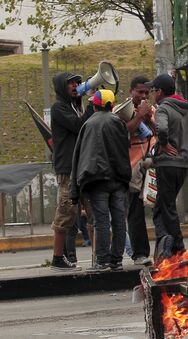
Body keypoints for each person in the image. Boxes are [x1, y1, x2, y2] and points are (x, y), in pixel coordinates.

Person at [70, 90, 131, 271]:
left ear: (95, 106)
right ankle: (116, 260)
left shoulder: (88, 125)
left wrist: (75, 190)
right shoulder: (119, 123)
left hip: (97, 180)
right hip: (118, 180)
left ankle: (102, 261)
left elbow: (78, 157)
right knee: (119, 220)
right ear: (111, 105)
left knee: (101, 221)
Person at [48, 72, 92, 271]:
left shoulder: (74, 106)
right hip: (68, 169)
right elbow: (79, 126)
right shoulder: (59, 108)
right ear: (61, 87)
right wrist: (91, 104)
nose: (76, 86)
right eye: (71, 83)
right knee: (66, 211)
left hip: (80, 166)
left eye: (77, 83)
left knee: (89, 212)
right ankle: (58, 258)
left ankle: (96, 256)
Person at [146, 74, 188, 259]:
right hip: (183, 163)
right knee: (161, 206)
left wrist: (163, 144)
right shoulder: (184, 108)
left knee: (167, 206)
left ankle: (178, 246)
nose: (152, 94)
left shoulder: (164, 107)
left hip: (167, 162)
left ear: (160, 91)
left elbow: (163, 129)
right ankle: (165, 244)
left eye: (153, 90)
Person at [123, 76, 154, 266]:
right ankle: (140, 253)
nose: (143, 96)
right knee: (135, 211)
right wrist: (139, 116)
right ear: (131, 92)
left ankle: (167, 251)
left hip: (151, 164)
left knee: (161, 208)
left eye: (146, 93)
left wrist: (148, 117)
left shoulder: (152, 110)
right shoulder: (122, 111)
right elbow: (124, 132)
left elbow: (158, 131)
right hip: (132, 167)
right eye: (139, 92)